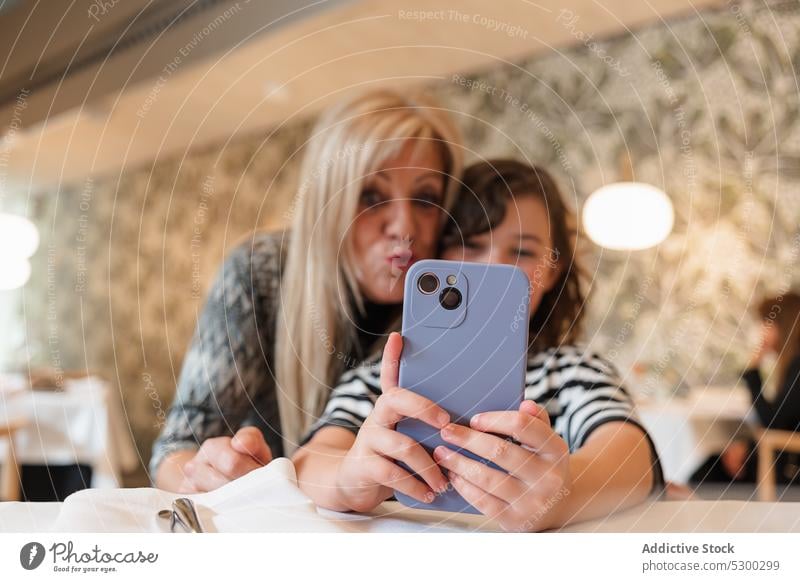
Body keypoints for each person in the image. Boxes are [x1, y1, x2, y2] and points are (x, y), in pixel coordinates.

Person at [293, 159, 664, 531]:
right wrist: (346, 478)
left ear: (551, 271)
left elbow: (630, 454)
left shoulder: (572, 372)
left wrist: (563, 493)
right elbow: (309, 461)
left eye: (522, 253)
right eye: (470, 245)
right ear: (436, 256)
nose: (492, 267)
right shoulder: (381, 378)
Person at [150, 89, 464, 492]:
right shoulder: (262, 274)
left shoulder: (451, 304)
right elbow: (175, 447)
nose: (404, 227)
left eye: (425, 199)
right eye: (372, 196)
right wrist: (210, 473)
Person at [714, 294, 800, 483]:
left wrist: (753, 372)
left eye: (767, 324)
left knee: (707, 474)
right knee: (712, 465)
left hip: (787, 467)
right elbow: (781, 420)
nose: (763, 332)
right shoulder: (792, 367)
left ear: (784, 326)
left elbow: (772, 422)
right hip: (780, 456)